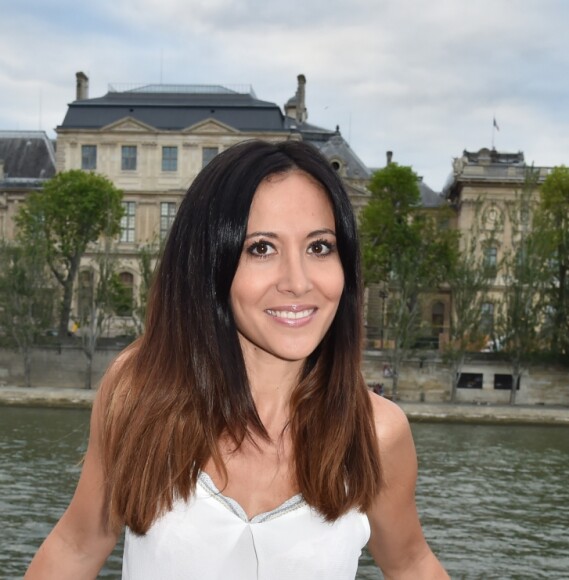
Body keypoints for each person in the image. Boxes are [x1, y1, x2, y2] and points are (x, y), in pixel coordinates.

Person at [25, 139, 448, 579]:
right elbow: (75, 548)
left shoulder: (377, 433)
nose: (298, 282)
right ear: (209, 265)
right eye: (261, 248)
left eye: (319, 247)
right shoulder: (138, 396)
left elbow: (412, 565)